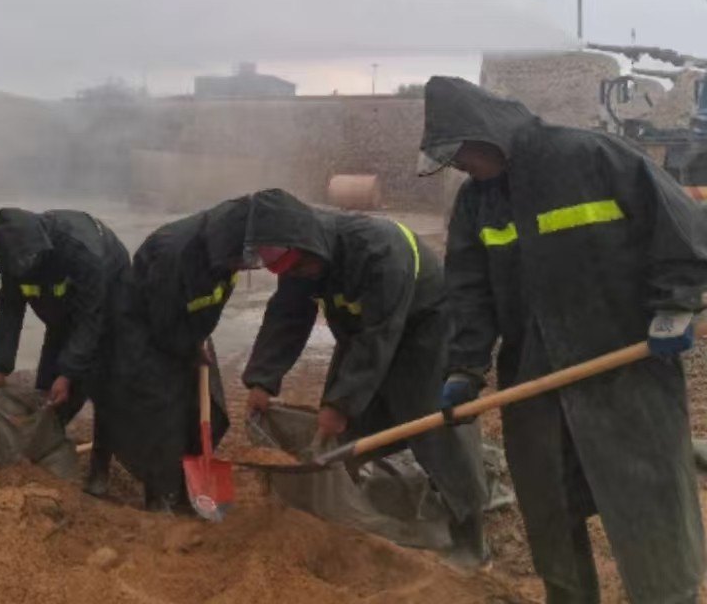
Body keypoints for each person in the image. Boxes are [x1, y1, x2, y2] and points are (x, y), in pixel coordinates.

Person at [422, 75, 707, 604]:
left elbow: (681, 225)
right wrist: (464, 366)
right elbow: (468, 290)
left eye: (458, 154)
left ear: (486, 135)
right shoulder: (476, 204)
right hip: (534, 379)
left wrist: (675, 304)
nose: (458, 167)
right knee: (549, 504)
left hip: (624, 369)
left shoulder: (593, 156)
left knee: (649, 498)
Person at [240, 187, 488, 568]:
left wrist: (340, 403)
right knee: (347, 427)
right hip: (364, 331)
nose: (298, 275)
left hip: (426, 327)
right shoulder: (301, 255)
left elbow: (380, 337)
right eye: (290, 270)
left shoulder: (379, 252)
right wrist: (262, 379)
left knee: (433, 423)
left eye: (299, 267)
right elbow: (287, 316)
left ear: (310, 245)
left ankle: (471, 536)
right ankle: (353, 508)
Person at [96, 191, 296, 511]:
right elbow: (163, 321)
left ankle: (191, 482)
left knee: (206, 405)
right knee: (162, 410)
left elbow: (211, 302)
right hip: (146, 332)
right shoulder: (176, 254)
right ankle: (162, 495)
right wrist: (188, 348)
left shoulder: (230, 251)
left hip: (187, 332)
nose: (251, 265)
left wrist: (199, 339)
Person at [0, 207, 130, 497]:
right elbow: (10, 310)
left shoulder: (81, 251)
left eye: (30, 260)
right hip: (62, 311)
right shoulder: (13, 255)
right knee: (49, 390)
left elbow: (91, 318)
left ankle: (99, 469)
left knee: (104, 385)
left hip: (108, 302)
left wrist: (69, 372)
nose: (24, 265)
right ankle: (44, 455)